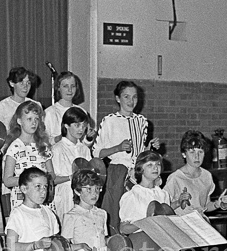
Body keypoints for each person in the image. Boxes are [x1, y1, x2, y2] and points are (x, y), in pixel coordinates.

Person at [93, 81, 161, 230]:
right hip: (118, 173)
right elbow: (97, 153)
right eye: (126, 97)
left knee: (139, 213)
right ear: (118, 98)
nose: (131, 101)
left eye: (134, 97)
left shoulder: (142, 121)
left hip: (138, 173)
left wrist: (149, 148)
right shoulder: (109, 121)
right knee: (116, 214)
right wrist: (118, 148)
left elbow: (140, 152)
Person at [1, 101, 54, 216]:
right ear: (19, 121)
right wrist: (29, 181)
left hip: (42, 198)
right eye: (29, 119)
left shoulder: (43, 146)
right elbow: (7, 180)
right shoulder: (14, 147)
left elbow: (51, 174)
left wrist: (44, 180)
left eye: (36, 119)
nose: (34, 123)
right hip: (22, 199)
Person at [50, 107, 92, 222]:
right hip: (65, 196)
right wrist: (71, 177)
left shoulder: (84, 149)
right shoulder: (57, 149)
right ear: (66, 125)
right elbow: (53, 179)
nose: (81, 129)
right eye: (77, 125)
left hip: (83, 196)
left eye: (84, 126)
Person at [44, 71, 85, 144]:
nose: (70, 90)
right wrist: (58, 138)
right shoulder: (49, 113)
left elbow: (84, 143)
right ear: (58, 88)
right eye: (65, 86)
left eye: (73, 86)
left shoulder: (81, 112)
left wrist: (89, 138)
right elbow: (44, 142)